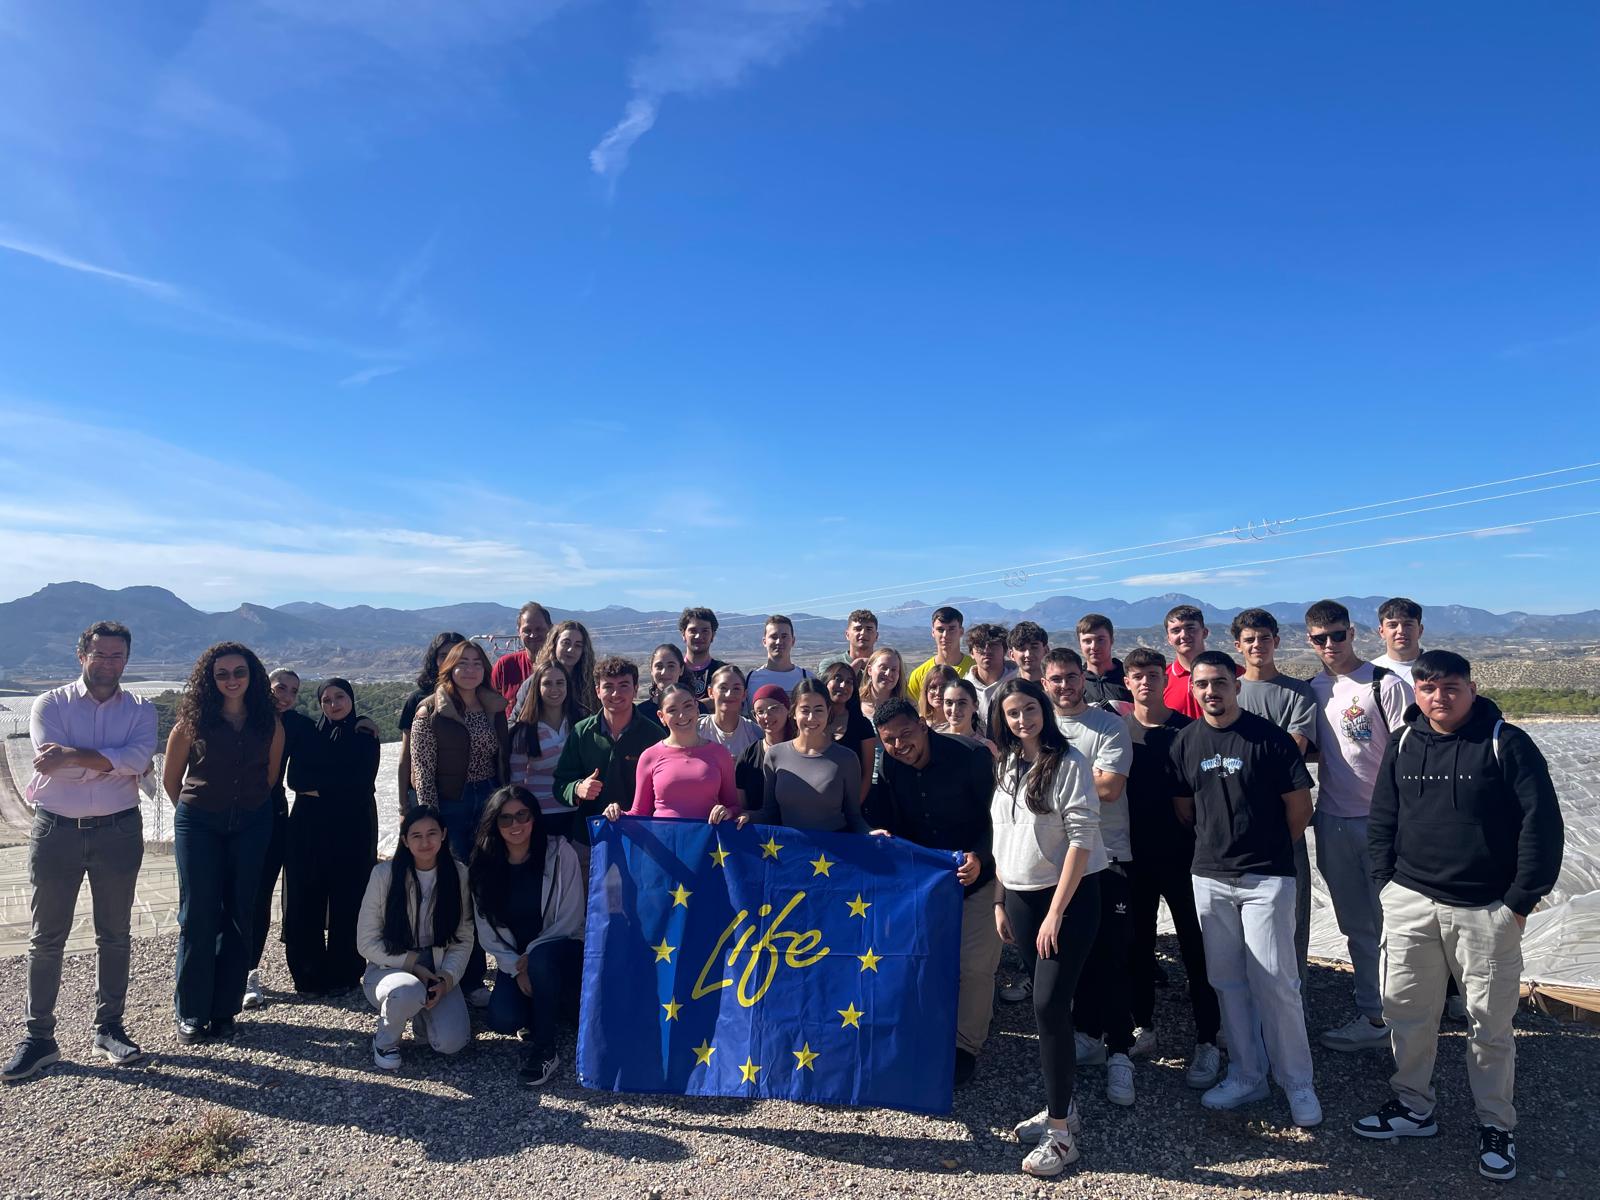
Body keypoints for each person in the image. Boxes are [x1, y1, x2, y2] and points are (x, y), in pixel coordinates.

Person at [1357, 651, 1565, 1182]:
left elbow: (1541, 827)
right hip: (1410, 901)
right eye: (1427, 688)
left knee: (1489, 1023)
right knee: (1406, 1011)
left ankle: (1496, 1123)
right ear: (1417, 691)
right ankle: (1413, 1107)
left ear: (1471, 688)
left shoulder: (1505, 742)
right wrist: (1386, 885)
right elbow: (1383, 816)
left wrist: (1518, 903)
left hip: (1485, 909)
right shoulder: (1404, 741)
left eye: (1450, 687)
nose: (1438, 698)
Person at [1169, 652, 1321, 1129]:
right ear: (1193, 689)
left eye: (1218, 683)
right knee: (1227, 980)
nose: (1210, 692)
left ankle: (1297, 1082)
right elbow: (1185, 808)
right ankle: (1247, 1073)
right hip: (1209, 876)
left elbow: (1300, 808)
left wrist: (1270, 849)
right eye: (1201, 685)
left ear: (1235, 684)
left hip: (1266, 877)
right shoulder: (1185, 743)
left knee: (1277, 982)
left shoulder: (1270, 740)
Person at [4, 622, 157, 1081]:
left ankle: (110, 1028)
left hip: (118, 831)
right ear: (81, 655)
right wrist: (114, 763)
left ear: (126, 661)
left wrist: (73, 758)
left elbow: (140, 759)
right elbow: (56, 763)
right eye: (100, 654)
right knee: (46, 937)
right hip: (57, 832)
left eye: (117, 656)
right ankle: (39, 1038)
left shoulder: (142, 708)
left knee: (114, 934)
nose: (108, 663)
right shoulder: (49, 703)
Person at [988, 678, 1105, 1176]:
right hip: (1018, 899)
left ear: (1044, 710)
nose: (1022, 720)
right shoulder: (1007, 764)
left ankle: (1061, 1136)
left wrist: (1057, 911)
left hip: (1066, 902)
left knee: (1049, 1005)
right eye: (1012, 713)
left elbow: (1081, 839)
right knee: (1047, 1013)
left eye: (1029, 710)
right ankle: (1065, 1109)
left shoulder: (1070, 762)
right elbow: (1000, 835)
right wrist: (999, 899)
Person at [867, 698, 997, 1091]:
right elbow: (889, 818)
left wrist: (982, 857)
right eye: (889, 740)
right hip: (925, 885)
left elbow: (1002, 819)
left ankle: (965, 1047)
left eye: (906, 733)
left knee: (974, 967)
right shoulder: (890, 766)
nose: (899, 745)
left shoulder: (972, 757)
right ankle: (923, 1033)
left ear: (924, 725)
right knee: (922, 961)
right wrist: (878, 832)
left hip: (979, 878)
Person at [161, 642, 285, 1044]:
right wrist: (203, 813)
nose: (232, 680)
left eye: (239, 672)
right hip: (199, 824)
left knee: (239, 914)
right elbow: (171, 779)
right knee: (197, 915)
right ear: (210, 681)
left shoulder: (269, 724)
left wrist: (241, 809)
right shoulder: (192, 723)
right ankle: (192, 1011)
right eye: (223, 674)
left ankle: (225, 1009)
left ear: (253, 676)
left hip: (251, 823)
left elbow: (270, 777)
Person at [1305, 598, 1413, 1051]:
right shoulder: (1312, 689)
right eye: (1320, 638)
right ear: (1309, 641)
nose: (1330, 644)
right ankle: (1374, 1016)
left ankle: (1408, 1016)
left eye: (1338, 635)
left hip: (1380, 821)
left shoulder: (1383, 684)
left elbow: (1409, 755)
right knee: (1356, 923)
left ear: (1353, 634)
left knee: (1396, 923)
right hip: (1332, 819)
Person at [1119, 648, 1221, 1091]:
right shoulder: (1117, 731)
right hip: (1133, 858)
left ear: (1166, 680)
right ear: (1127, 681)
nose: (1146, 683)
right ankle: (1144, 1025)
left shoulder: (1189, 731)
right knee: (1137, 947)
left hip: (1185, 857)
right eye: (1138, 676)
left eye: (1153, 675)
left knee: (1198, 951)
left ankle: (1208, 1038)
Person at [1042, 649, 1137, 1106]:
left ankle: (1121, 1052)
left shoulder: (1108, 725)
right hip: (1052, 863)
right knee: (1068, 957)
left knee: (1111, 958)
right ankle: (1086, 1037)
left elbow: (1110, 786)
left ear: (1085, 678)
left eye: (1072, 677)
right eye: (1056, 679)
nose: (1065, 686)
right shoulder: (1039, 726)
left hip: (1108, 855)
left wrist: (1047, 785)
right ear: (1044, 683)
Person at [410, 639, 508, 1005]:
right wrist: (431, 820)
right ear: (448, 668)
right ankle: (467, 978)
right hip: (452, 804)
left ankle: (502, 972)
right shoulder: (430, 711)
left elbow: (503, 759)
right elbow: (422, 769)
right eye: (462, 663)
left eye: (476, 663)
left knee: (488, 884)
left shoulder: (493, 708)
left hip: (490, 800)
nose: (470, 669)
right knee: (460, 888)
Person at [470, 786, 585, 1087]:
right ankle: (549, 1006)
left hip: (560, 951)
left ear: (534, 817)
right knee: (503, 1020)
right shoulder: (483, 866)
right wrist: (514, 966)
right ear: (494, 824)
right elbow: (486, 931)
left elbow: (571, 918)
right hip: (516, 960)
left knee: (543, 960)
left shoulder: (561, 854)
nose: (515, 825)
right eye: (505, 819)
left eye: (522, 815)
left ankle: (545, 1049)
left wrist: (529, 958)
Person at [1230, 608, 1318, 986]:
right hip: (1233, 825)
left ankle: (1293, 993)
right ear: (1237, 646)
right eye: (1249, 639)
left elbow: (1291, 752)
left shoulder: (1299, 692)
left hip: (1286, 821)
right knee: (1234, 920)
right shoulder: (1227, 689)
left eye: (1264, 638)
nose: (1257, 645)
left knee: (1291, 916)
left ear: (1276, 642)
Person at [282, 679, 381, 997]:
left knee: (348, 901)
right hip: (309, 831)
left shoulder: (365, 734)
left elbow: (360, 783)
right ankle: (308, 975)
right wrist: (337, 785)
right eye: (326, 699)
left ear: (351, 699)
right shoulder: (311, 735)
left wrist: (321, 788)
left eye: (340, 697)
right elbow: (295, 779)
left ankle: (344, 973)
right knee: (305, 901)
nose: (334, 704)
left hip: (353, 830)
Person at [356, 805, 473, 1070]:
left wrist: (446, 979)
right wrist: (413, 965)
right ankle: (385, 1042)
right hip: (390, 968)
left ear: (444, 835)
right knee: (407, 991)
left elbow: (463, 938)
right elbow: (365, 941)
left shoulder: (458, 874)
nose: (425, 842)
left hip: (437, 965)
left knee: (452, 1043)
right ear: (404, 840)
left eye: (432, 833)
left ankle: (422, 1014)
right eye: (416, 835)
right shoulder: (383, 875)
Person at [552, 657, 667, 873]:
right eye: (608, 687)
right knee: (590, 902)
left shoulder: (654, 736)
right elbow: (560, 784)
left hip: (640, 840)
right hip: (589, 840)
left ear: (635, 689)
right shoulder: (581, 732)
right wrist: (577, 788)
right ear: (597, 691)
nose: (616, 694)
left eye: (623, 686)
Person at [243, 667, 302, 1010]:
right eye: (281, 687)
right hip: (230, 815)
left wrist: (361, 724)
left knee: (260, 896)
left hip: (273, 815)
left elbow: (329, 732)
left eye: (293, 691)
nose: (285, 695)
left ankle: (249, 972)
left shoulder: (294, 724)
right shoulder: (239, 717)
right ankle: (220, 970)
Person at [604, 684, 739, 824]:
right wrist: (616, 813)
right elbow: (640, 813)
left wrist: (727, 812)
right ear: (661, 717)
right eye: (672, 710)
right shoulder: (649, 756)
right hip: (664, 843)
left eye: (687, 706)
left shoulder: (720, 753)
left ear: (697, 708)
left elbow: (734, 806)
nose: (682, 715)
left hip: (708, 843)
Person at [760, 678, 869, 832]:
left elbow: (854, 817)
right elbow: (769, 814)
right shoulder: (774, 755)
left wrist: (871, 833)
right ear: (794, 713)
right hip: (791, 852)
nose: (811, 718)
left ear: (828, 712)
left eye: (818, 710)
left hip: (833, 853)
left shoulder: (847, 759)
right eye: (805, 710)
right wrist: (740, 815)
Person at [507, 660, 583, 840]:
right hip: (541, 815)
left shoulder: (580, 723)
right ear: (536, 688)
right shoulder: (525, 731)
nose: (554, 689)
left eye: (560, 683)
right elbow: (517, 782)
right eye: (547, 683)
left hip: (578, 812)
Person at [398, 632, 467, 816]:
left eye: (456, 653)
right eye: (443, 655)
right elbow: (406, 757)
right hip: (423, 794)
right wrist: (403, 807)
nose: (450, 660)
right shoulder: (418, 700)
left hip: (466, 795)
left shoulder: (475, 698)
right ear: (434, 659)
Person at [818, 657, 876, 795]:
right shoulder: (812, 721)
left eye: (849, 682)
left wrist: (854, 809)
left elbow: (867, 774)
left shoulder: (862, 725)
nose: (843, 686)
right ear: (826, 682)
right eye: (838, 679)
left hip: (850, 804)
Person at [735, 684, 795, 810]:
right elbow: (742, 806)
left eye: (773, 708)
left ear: (788, 709)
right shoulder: (748, 755)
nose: (766, 716)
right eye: (760, 712)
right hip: (760, 827)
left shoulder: (801, 750)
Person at [522, 620, 595, 720]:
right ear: (555, 644)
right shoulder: (534, 682)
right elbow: (515, 722)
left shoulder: (591, 684)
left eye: (578, 645)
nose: (571, 650)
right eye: (566, 643)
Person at [490, 602, 553, 707]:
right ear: (519, 632)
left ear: (550, 629)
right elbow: (489, 703)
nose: (533, 635)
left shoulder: (560, 665)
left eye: (539, 629)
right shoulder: (505, 665)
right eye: (527, 630)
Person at [905, 606, 973, 703]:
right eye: (940, 630)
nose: (945, 635)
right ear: (933, 632)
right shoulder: (919, 674)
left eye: (951, 629)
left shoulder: (974, 669)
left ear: (961, 631)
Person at [744, 615, 813, 703]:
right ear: (764, 642)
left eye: (784, 636)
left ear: (793, 641)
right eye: (774, 637)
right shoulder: (750, 681)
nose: (779, 641)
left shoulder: (807, 678)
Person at [698, 664, 760, 757]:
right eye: (723, 688)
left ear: (744, 694)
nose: (729, 694)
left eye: (736, 688)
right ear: (710, 692)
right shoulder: (696, 729)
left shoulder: (755, 733)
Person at [1162, 605, 1211, 719]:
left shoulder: (1232, 672)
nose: (1184, 635)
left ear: (1204, 633)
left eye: (1190, 628)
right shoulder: (1162, 679)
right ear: (1169, 639)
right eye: (1176, 631)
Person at [965, 623, 1016, 723]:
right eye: (980, 645)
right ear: (971, 653)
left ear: (1005, 650)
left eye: (993, 645)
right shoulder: (964, 689)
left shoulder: (1018, 683)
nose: (986, 650)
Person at [1078, 615, 1132, 708]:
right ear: (1080, 644)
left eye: (1100, 640)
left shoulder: (1131, 678)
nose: (1094, 647)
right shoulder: (1076, 682)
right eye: (1087, 641)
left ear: (1112, 640)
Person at [679, 607, 726, 711]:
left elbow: (731, 701)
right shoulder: (674, 670)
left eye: (705, 631)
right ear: (683, 634)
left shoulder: (723, 671)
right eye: (693, 630)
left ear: (713, 635)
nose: (698, 636)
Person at [1372, 596, 1426, 685]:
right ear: (1381, 631)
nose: (1401, 631)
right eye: (1393, 625)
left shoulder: (1439, 670)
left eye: (1408, 624)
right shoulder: (1369, 672)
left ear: (1420, 630)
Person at [646, 644, 687, 709]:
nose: (664, 672)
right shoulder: (640, 713)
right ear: (651, 670)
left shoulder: (696, 709)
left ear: (681, 670)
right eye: (659, 666)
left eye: (671, 666)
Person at [841, 608, 880, 674]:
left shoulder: (887, 667)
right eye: (858, 629)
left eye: (869, 629)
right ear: (847, 635)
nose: (863, 633)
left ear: (876, 636)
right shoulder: (832, 665)